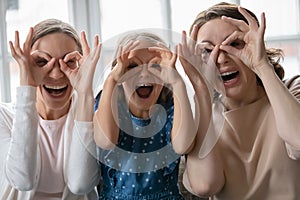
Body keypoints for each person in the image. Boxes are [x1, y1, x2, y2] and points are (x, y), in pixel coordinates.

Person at [181, 2, 300, 199]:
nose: (220, 59)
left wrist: (261, 65)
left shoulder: (293, 89)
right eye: (207, 51)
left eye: (235, 44)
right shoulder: (200, 118)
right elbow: (205, 185)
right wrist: (201, 91)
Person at [0, 19, 101, 200]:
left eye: (69, 62)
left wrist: (85, 92)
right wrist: (27, 85)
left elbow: (81, 184)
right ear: (26, 65)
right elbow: (22, 180)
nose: (56, 74)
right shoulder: (3, 116)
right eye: (41, 61)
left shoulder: (95, 115)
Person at [93, 31, 200, 199]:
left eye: (155, 66)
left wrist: (177, 82)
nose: (144, 74)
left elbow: (183, 146)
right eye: (132, 66)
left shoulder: (172, 107)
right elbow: (105, 141)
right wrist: (111, 81)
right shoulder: (108, 103)